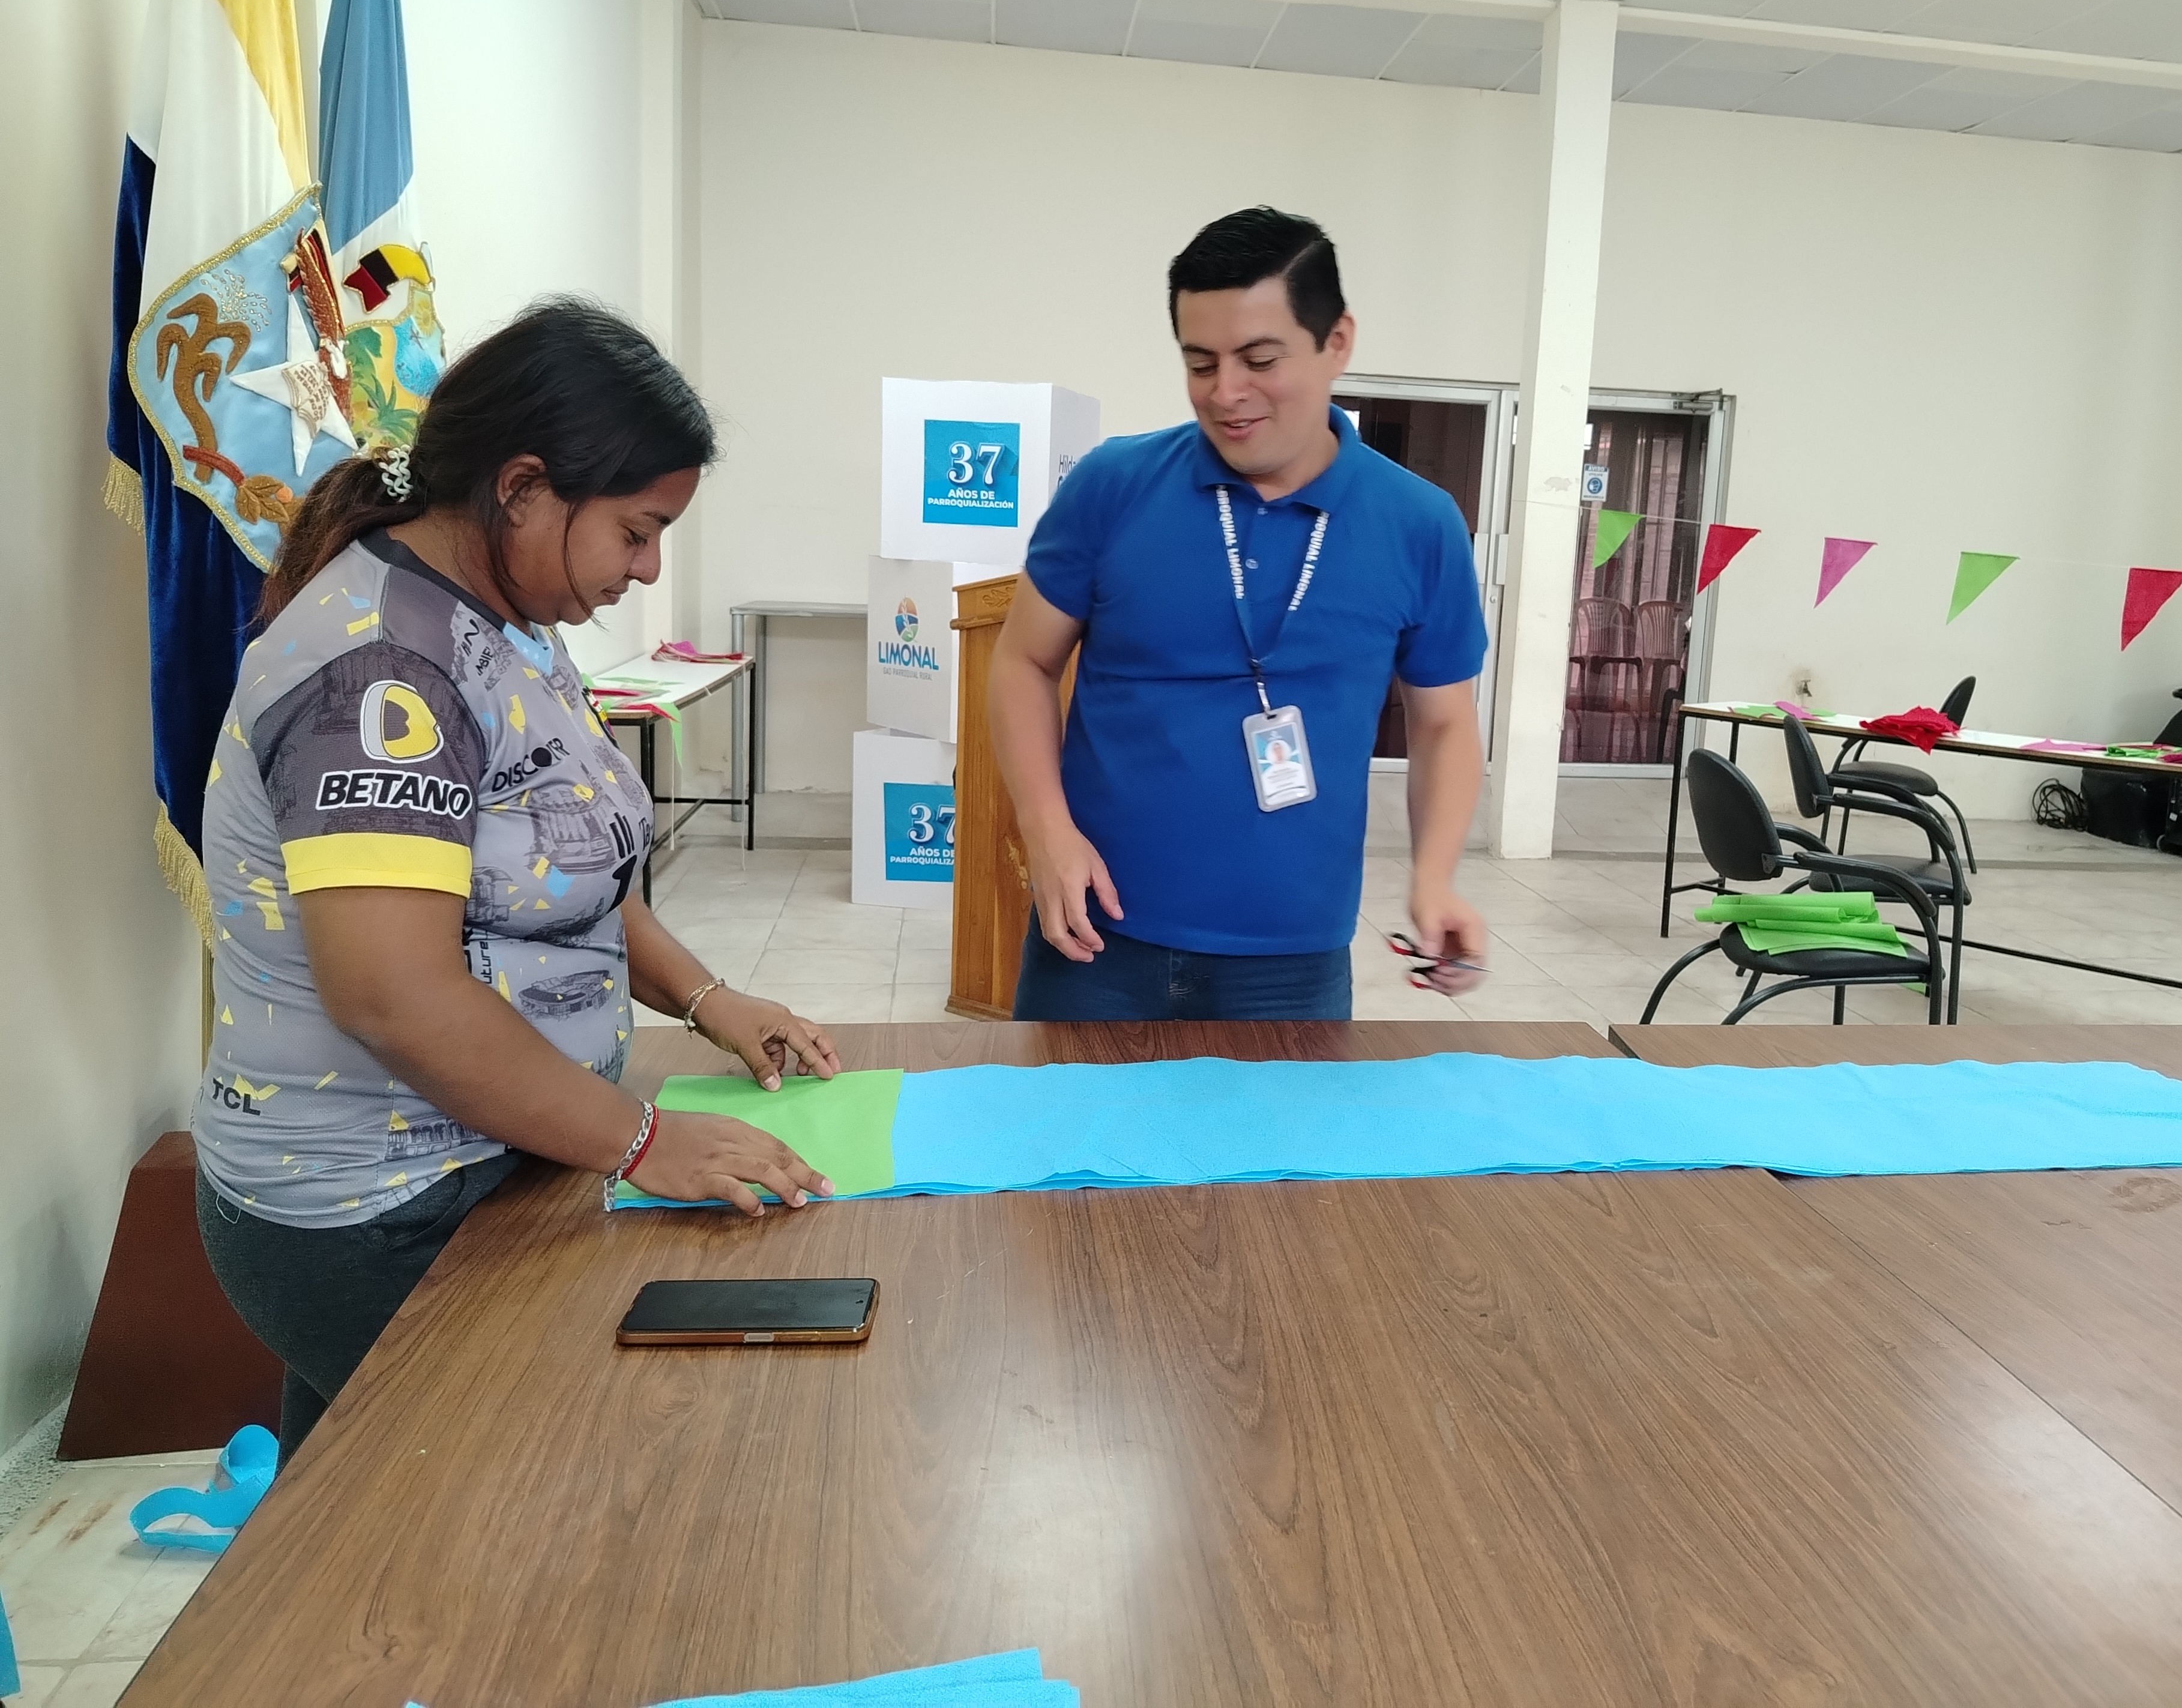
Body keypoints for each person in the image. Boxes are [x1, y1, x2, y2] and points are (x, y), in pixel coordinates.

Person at [194, 300, 839, 1459]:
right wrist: (644, 1141)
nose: (648, 570)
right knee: (511, 1497)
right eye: (636, 532)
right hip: (376, 1204)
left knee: (367, 1515)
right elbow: (393, 995)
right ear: (524, 488)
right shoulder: (381, 676)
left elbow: (573, 867)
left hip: (492, 1155)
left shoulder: (513, 626)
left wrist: (709, 1000)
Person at [990, 207, 1489, 1021]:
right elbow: (1023, 660)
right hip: (1094, 939)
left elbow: (1444, 723)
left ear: (1337, 342)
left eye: (1259, 360)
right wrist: (1045, 828)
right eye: (1200, 363)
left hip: (1291, 961)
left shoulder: (1419, 523)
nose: (1226, 393)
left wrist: (1435, 877)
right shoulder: (1113, 486)